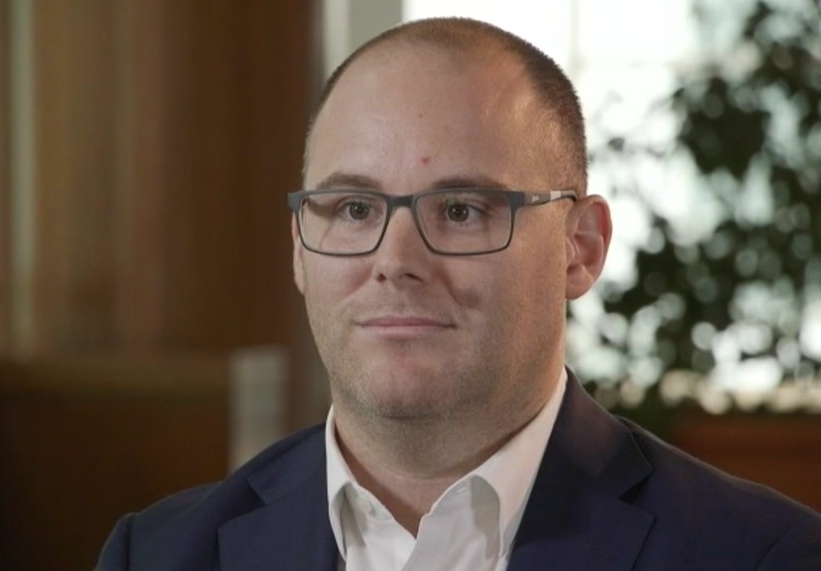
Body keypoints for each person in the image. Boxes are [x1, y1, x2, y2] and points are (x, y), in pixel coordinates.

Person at [95, 17, 821, 571]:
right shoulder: (157, 553)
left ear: (580, 248)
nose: (394, 261)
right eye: (352, 209)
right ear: (298, 248)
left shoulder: (762, 553)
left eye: (462, 210)